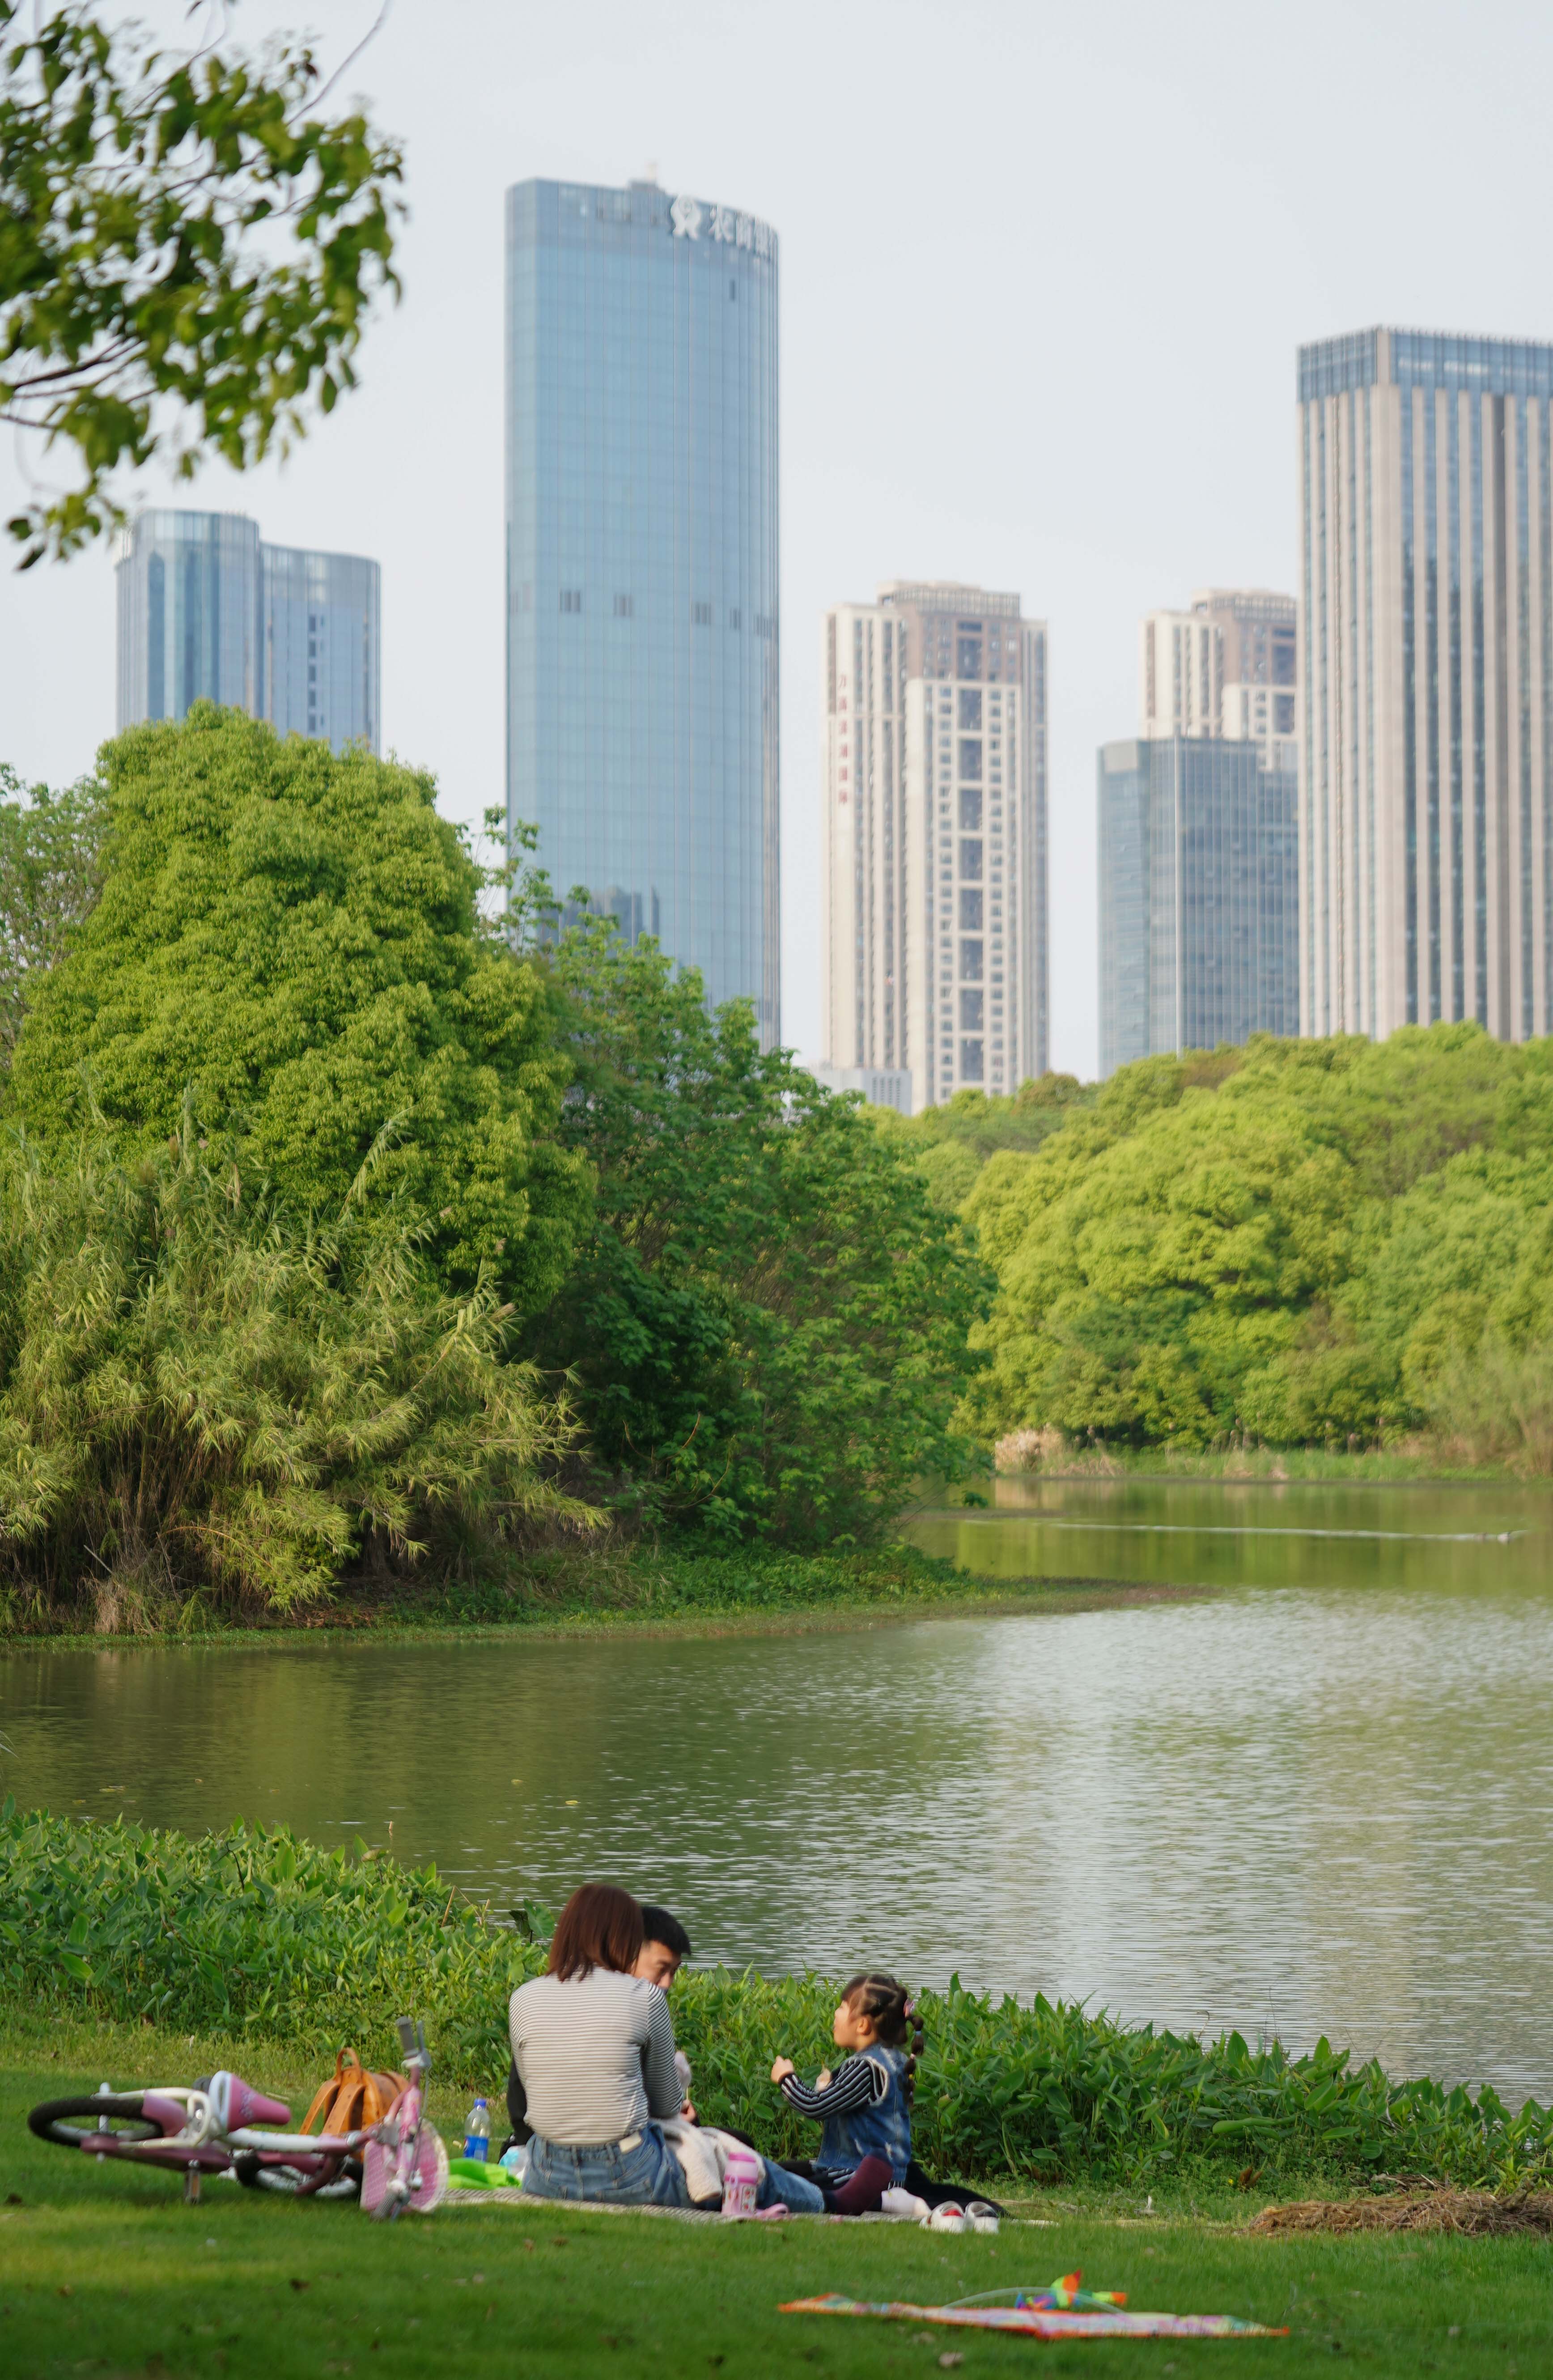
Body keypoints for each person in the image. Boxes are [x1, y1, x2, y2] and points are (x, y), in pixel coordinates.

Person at [508, 1882, 832, 2211]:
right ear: (624, 1938)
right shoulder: (643, 1997)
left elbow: (531, 2089)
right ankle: (830, 2202)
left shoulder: (522, 1998)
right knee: (736, 2159)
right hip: (629, 2173)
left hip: (545, 2174)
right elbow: (666, 2106)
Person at [505, 1899, 693, 2146]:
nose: (668, 1984)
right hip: (621, 2157)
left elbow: (522, 2103)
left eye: (675, 1972)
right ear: (625, 1951)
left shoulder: (529, 1997)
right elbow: (666, 2105)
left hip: (545, 2157)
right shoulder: (646, 2000)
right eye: (661, 1969)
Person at [771, 1972, 921, 2188]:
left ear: (862, 2025)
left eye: (842, 2007)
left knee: (780, 2182)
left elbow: (815, 2107)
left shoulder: (866, 2067)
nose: (835, 2013)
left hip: (863, 2176)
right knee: (781, 2170)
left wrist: (786, 2078)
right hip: (891, 2177)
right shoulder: (897, 2060)